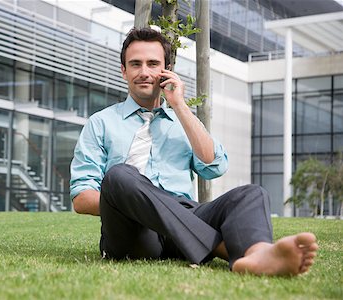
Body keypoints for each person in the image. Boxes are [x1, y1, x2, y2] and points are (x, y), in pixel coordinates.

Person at [70, 27, 318, 276]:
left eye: (153, 64)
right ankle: (225, 249)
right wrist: (134, 202)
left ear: (166, 70)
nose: (144, 72)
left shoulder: (183, 119)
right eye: (135, 64)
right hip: (133, 231)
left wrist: (179, 105)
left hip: (187, 214)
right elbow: (81, 198)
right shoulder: (100, 123)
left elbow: (214, 166)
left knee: (251, 194)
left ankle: (259, 254)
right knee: (119, 176)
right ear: (124, 71)